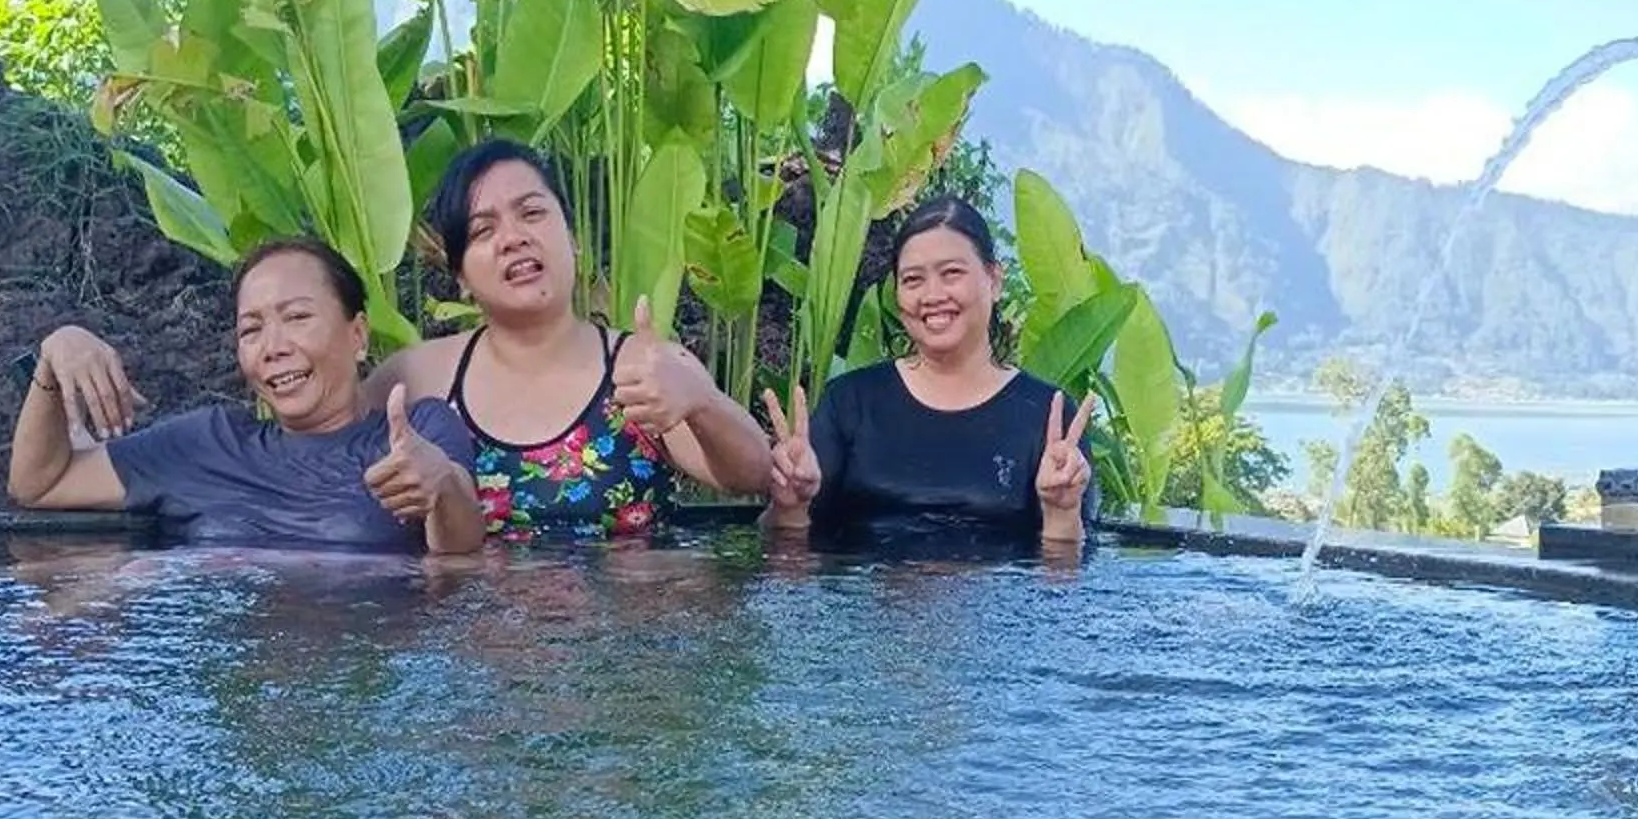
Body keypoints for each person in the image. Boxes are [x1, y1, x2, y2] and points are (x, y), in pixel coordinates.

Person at [367, 140, 773, 541]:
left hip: (637, 605)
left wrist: (702, 403)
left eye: (532, 212)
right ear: (462, 279)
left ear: (574, 240)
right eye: (483, 230)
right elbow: (319, 453)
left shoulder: (641, 366)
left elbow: (752, 476)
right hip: (473, 605)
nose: (513, 238)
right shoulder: (418, 377)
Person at [8, 238, 485, 552]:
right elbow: (40, 485)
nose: (274, 347)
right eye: (251, 329)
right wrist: (56, 355)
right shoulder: (205, 445)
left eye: (297, 317)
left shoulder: (417, 432)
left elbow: (463, 549)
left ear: (357, 334)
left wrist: (440, 483)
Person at [763, 195, 1097, 548]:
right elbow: (788, 552)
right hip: (869, 599)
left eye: (952, 273)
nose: (932, 295)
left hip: (997, 601)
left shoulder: (1050, 418)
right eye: (913, 280)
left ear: (994, 280)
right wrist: (789, 506)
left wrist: (1061, 512)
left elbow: (1068, 582)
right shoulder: (850, 402)